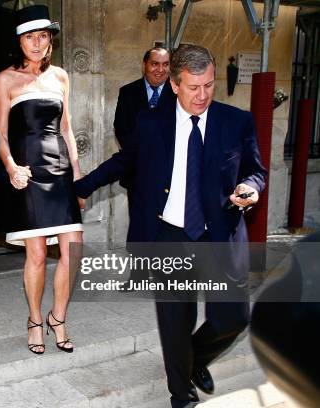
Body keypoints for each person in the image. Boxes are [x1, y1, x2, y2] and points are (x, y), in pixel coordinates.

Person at [74, 45, 267, 407]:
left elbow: (256, 171)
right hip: (169, 235)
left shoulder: (235, 121)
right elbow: (123, 161)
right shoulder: (151, 124)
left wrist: (250, 188)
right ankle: (182, 395)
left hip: (220, 236)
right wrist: (80, 188)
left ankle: (193, 359)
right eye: (194, 87)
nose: (203, 95)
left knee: (234, 317)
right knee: (176, 320)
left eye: (209, 85)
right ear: (175, 85)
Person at [0, 5, 83, 355]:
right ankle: (34, 320)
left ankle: (57, 317)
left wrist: (78, 175)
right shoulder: (5, 79)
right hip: (28, 173)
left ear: (50, 41)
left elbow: (67, 128)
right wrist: (12, 167)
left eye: (43, 35)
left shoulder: (60, 77)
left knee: (72, 251)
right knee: (36, 255)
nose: (36, 42)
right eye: (29, 36)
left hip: (60, 171)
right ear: (20, 41)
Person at [113, 47, 176, 288]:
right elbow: (121, 128)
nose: (160, 69)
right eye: (155, 64)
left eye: (165, 64)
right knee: (139, 223)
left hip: (170, 174)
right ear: (144, 65)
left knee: (168, 224)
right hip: (138, 172)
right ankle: (138, 277)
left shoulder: (177, 92)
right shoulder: (128, 93)